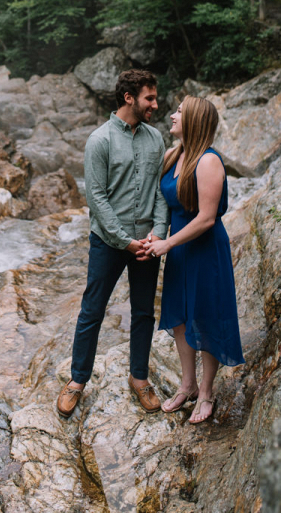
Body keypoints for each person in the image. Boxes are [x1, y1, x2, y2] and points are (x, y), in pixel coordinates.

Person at [56, 69, 169, 419]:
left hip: (147, 243)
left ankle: (139, 379)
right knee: (92, 310)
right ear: (129, 98)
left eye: (155, 97)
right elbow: (98, 199)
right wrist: (124, 241)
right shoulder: (100, 140)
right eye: (149, 98)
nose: (155, 103)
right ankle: (77, 381)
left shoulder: (156, 139)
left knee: (143, 313)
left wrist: (159, 232)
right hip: (108, 241)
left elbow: (160, 192)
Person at [142, 95, 245, 424]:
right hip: (179, 249)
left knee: (205, 316)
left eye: (180, 113)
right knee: (181, 318)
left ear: (195, 122)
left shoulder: (209, 162)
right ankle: (186, 385)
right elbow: (165, 204)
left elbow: (206, 218)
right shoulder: (175, 155)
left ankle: (206, 391)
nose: (172, 116)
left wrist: (167, 243)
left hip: (204, 249)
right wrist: (158, 235)